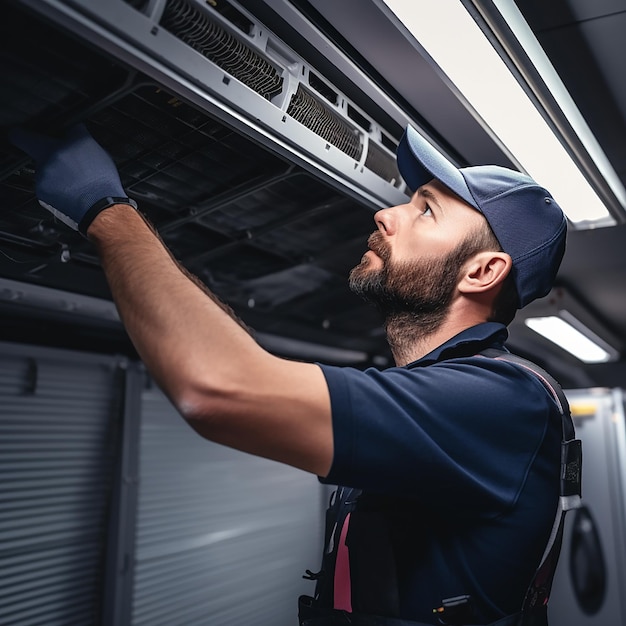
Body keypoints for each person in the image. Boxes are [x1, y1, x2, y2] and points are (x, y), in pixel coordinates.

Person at [10, 122, 572, 626]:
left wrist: (105, 211)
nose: (387, 213)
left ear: (483, 271)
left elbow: (217, 386)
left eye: (426, 209)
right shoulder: (438, 396)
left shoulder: (502, 400)